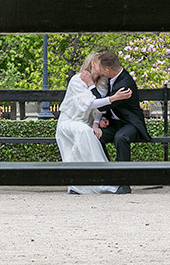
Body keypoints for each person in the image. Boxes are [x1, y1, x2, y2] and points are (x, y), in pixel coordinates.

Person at [56, 52, 133, 195]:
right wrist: (113, 98)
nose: (104, 66)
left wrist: (96, 123)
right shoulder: (77, 80)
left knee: (88, 132)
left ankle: (87, 181)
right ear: (93, 64)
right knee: (84, 131)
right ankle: (88, 182)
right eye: (100, 63)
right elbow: (91, 103)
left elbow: (99, 109)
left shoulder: (102, 83)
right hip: (69, 122)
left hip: (86, 123)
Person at [93, 50, 151, 194]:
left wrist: (90, 86)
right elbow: (110, 106)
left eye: (101, 69)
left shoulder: (124, 84)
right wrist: (104, 119)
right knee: (96, 137)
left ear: (107, 70)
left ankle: (124, 183)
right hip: (116, 123)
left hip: (131, 124)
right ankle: (108, 175)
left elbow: (102, 105)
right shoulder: (112, 78)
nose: (99, 71)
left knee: (121, 137)